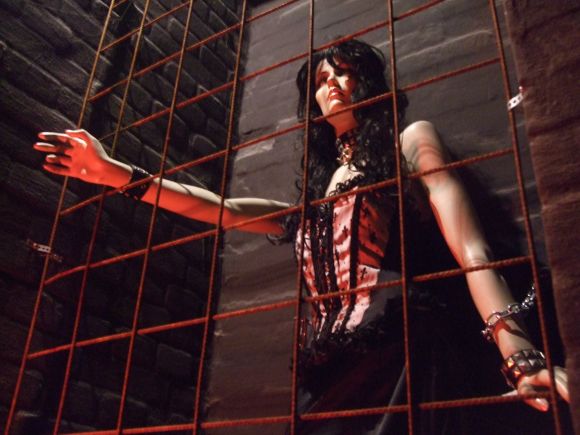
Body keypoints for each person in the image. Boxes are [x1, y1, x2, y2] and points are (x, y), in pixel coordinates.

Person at [34, 39, 568, 434]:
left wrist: (519, 353)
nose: (331, 83)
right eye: (321, 78)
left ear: (370, 82)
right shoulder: (314, 199)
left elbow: (471, 248)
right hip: (326, 373)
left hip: (400, 352)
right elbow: (220, 209)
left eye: (345, 72)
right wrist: (115, 174)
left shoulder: (411, 141)